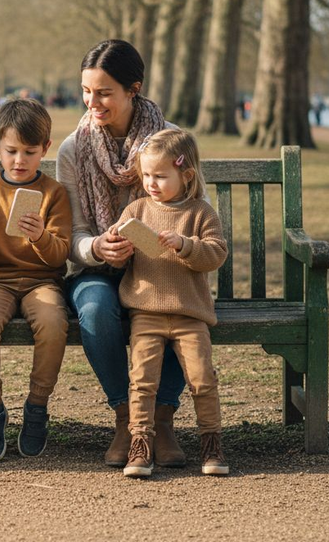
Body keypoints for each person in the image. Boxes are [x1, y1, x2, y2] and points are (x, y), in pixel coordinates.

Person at [56, 39, 191, 469]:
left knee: (173, 304)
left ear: (134, 89)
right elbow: (73, 231)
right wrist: (96, 247)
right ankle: (126, 419)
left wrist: (160, 243)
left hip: (160, 266)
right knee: (95, 310)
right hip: (96, 267)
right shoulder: (73, 150)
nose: (92, 102)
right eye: (86, 91)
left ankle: (163, 419)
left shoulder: (170, 145)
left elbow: (194, 211)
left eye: (104, 93)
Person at [107, 129, 228, 478]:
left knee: (202, 378)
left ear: (185, 174)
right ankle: (140, 444)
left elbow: (215, 254)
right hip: (146, 312)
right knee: (142, 380)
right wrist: (118, 244)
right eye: (146, 175)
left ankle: (211, 442)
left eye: (160, 176)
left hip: (190, 314)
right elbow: (118, 252)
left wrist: (184, 244)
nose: (151, 183)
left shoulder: (200, 213)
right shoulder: (137, 209)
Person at [0, 99, 72, 461]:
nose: (19, 160)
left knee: (54, 322)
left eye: (29, 151)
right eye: (11, 151)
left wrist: (40, 236)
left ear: (45, 150)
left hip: (42, 282)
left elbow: (59, 255)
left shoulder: (53, 194)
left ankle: (37, 406)